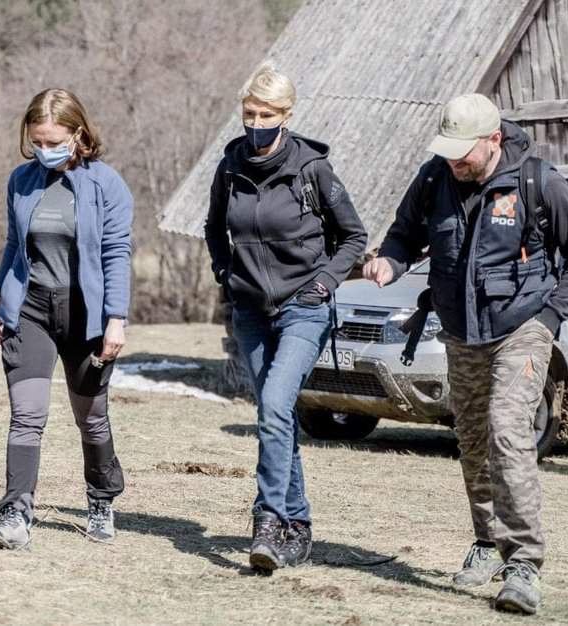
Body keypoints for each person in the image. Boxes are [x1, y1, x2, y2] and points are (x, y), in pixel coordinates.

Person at [363, 93, 568, 615]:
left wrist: (551, 316)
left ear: (493, 140)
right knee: (472, 437)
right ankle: (486, 540)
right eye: (447, 150)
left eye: (462, 152)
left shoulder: (538, 181)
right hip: (460, 331)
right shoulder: (434, 178)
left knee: (507, 428)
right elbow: (404, 235)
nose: (454, 160)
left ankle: (523, 564)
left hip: (523, 328)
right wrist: (390, 263)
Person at [204, 63, 367, 573]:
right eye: (249, 113)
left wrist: (323, 284)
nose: (255, 122)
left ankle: (269, 520)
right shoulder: (230, 166)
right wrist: (224, 273)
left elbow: (355, 238)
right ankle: (297, 525)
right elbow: (214, 227)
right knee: (277, 418)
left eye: (266, 114)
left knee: (274, 406)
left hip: (304, 305)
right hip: (250, 309)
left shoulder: (313, 169)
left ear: (286, 115)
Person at [0, 88, 134, 549]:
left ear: (78, 134)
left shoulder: (106, 184)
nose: (44, 149)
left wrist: (116, 318)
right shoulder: (20, 181)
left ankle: (102, 497)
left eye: (53, 140)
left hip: (85, 315)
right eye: (37, 140)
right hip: (30, 310)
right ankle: (15, 513)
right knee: (26, 415)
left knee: (92, 418)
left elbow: (116, 253)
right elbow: (13, 245)